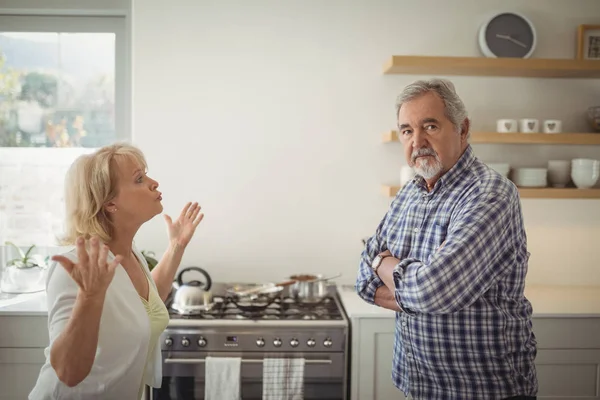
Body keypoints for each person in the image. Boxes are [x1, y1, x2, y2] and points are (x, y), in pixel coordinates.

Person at [356, 79, 538, 400]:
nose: (418, 141)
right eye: (407, 131)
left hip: (483, 390)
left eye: (430, 126)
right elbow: (364, 281)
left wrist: (383, 263)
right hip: (418, 384)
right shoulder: (410, 193)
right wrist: (409, 283)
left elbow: (431, 292)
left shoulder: (489, 195)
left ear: (462, 129)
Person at [29, 143, 204, 399]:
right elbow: (67, 373)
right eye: (139, 179)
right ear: (110, 203)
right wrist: (90, 297)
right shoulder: (77, 267)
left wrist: (176, 246)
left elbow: (144, 304)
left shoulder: (131, 255)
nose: (153, 183)